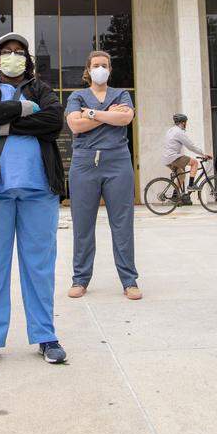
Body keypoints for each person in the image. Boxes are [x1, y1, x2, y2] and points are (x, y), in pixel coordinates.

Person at [0, 32, 67, 368]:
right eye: (6, 51)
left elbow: (53, 121)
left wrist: (3, 122)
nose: (13, 56)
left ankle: (45, 335)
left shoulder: (41, 90)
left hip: (39, 192)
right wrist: (21, 110)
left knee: (39, 266)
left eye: (19, 52)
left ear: (27, 59)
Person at [65, 51, 140, 300]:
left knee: (122, 223)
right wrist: (109, 115)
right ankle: (80, 279)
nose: (100, 69)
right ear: (88, 69)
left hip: (117, 161)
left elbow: (126, 118)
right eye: (96, 65)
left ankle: (129, 281)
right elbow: (75, 125)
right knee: (83, 224)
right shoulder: (77, 96)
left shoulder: (122, 94)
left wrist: (92, 114)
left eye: (104, 65)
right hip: (84, 163)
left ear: (110, 69)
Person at [162, 113, 212, 199]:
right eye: (186, 122)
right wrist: (203, 154)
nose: (186, 124)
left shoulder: (171, 130)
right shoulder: (179, 132)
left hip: (167, 158)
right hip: (173, 157)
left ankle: (174, 196)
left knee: (181, 175)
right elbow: (190, 146)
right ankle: (191, 185)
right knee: (195, 163)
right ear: (183, 122)